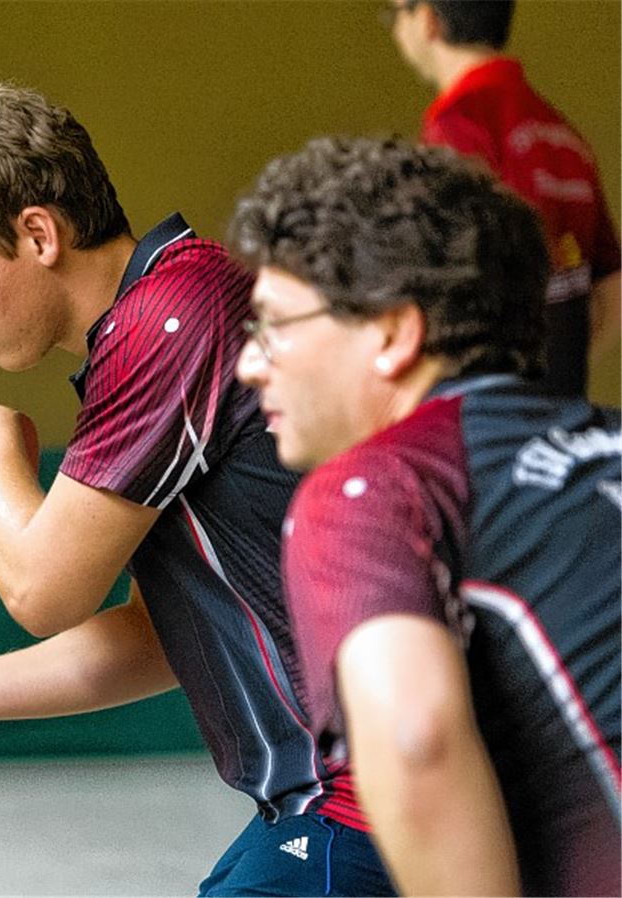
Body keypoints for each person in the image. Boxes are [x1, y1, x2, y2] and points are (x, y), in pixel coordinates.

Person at [0, 79, 396, 897]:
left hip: (372, 795)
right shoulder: (168, 311)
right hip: (330, 799)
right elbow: (156, 632)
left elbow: (44, 590)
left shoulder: (164, 324)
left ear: (37, 234)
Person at [231, 135, 621, 896]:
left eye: (274, 324)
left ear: (391, 333)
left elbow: (416, 741)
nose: (251, 363)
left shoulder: (375, 489)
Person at [386, 0, 621, 398]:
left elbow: (448, 283)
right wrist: (558, 366)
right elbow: (613, 283)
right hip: (558, 399)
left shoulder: (459, 126)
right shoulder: (560, 133)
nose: (395, 28)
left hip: (487, 407)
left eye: (396, 12)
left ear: (426, 19)